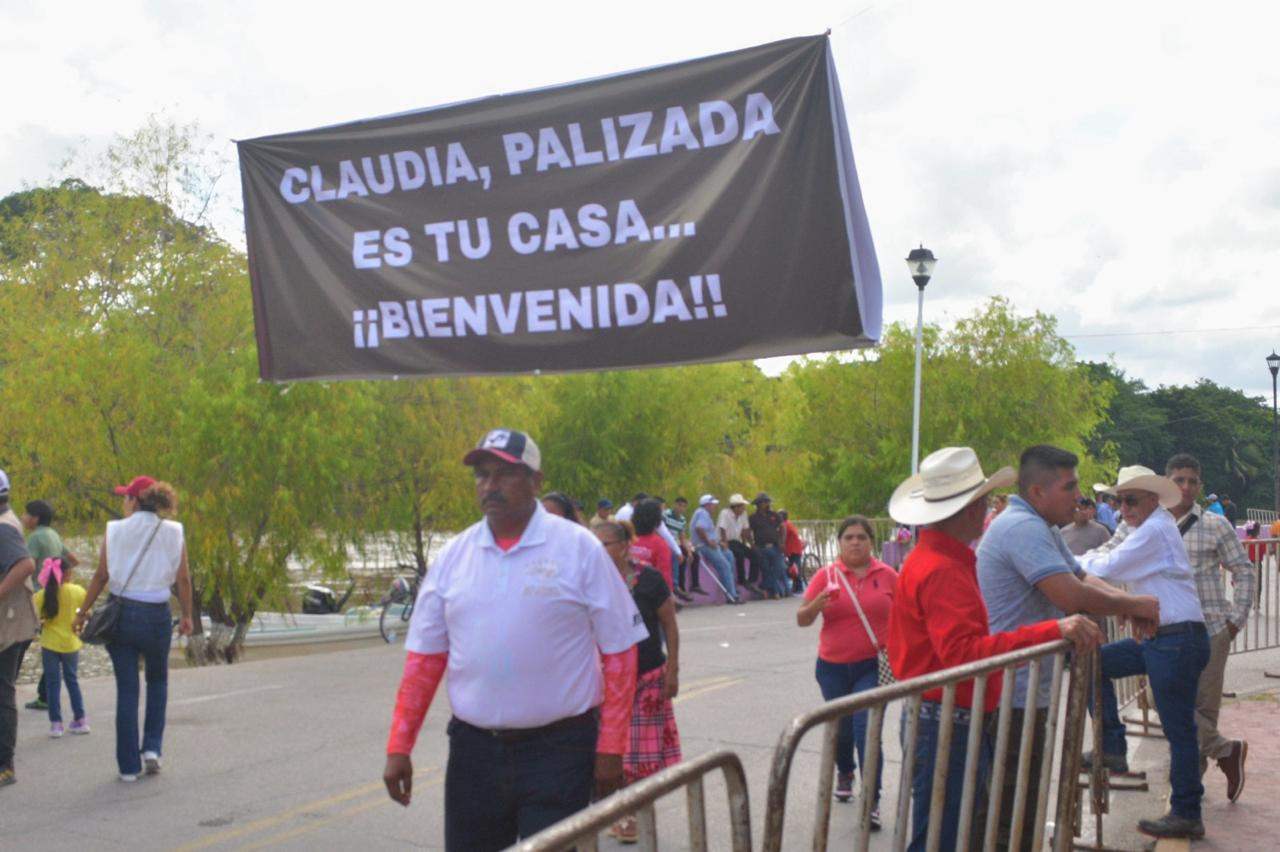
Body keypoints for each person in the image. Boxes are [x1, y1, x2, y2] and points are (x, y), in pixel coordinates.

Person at [382, 429, 648, 850]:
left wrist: (612, 746)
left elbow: (619, 652)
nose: (489, 485)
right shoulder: (454, 557)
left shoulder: (579, 549)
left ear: (536, 481)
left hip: (560, 750)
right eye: (481, 475)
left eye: (503, 475)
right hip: (474, 753)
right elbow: (424, 661)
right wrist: (400, 745)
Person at [888, 447, 1102, 852]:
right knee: (943, 834)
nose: (986, 509)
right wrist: (1049, 630)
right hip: (945, 717)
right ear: (970, 508)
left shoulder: (939, 558)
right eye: (982, 501)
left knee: (950, 828)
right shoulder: (941, 567)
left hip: (946, 712)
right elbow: (964, 654)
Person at [976, 445, 1159, 851]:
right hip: (1012, 693)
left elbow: (1080, 576)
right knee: (1012, 808)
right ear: (1038, 492)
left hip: (1026, 687)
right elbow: (1069, 593)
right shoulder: (1021, 528)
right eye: (1069, 487)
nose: (1079, 497)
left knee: (1024, 800)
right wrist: (1134, 605)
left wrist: (1127, 605)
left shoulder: (1040, 526)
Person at [1088, 453, 1254, 803]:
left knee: (1196, 712)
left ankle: (1187, 800)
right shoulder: (1133, 525)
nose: (1187, 487)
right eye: (1180, 480)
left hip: (1208, 627)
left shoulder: (1214, 525)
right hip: (1159, 632)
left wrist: (1234, 621)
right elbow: (1108, 554)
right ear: (1166, 485)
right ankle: (1219, 758)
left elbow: (1244, 570)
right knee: (1170, 709)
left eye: (1193, 481)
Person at [1078, 465, 1210, 840]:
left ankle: (1186, 810)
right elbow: (1113, 565)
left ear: (1152, 500)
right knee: (1091, 661)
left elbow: (1108, 565)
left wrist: (1065, 567)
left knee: (1178, 729)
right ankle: (1113, 746)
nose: (1124, 508)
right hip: (1164, 638)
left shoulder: (1153, 529)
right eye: (1120, 501)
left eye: (1131, 500)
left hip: (1174, 639)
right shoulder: (1150, 527)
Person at [73, 477, 194, 782]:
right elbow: (183, 580)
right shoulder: (174, 531)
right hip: (157, 616)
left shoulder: (115, 530)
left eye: (125, 498)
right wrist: (188, 615)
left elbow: (101, 576)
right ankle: (152, 748)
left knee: (127, 690)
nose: (123, 503)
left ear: (136, 500)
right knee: (157, 681)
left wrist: (83, 612)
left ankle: (128, 767)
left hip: (122, 615)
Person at [796, 516, 895, 828]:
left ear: (871, 542)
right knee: (842, 729)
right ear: (839, 543)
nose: (855, 542)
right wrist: (817, 605)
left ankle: (872, 800)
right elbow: (802, 619)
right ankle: (845, 770)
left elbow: (907, 615)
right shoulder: (826, 575)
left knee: (867, 727)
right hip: (833, 667)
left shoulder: (889, 575)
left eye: (862, 537)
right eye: (849, 537)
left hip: (873, 667)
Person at [593, 521, 681, 843]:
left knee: (637, 758)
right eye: (595, 544)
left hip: (648, 679)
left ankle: (631, 815)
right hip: (605, 683)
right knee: (611, 752)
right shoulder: (589, 582)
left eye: (607, 544)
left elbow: (669, 625)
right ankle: (620, 812)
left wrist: (673, 669)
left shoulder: (649, 580)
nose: (600, 551)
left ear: (625, 546)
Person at [20, 500, 79, 711]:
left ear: (35, 518)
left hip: (39, 596)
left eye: (25, 513)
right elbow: (73, 559)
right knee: (51, 643)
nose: (22, 517)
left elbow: (25, 565)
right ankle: (45, 694)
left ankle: (37, 694)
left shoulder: (35, 538)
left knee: (20, 644)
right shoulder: (53, 535)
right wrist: (63, 578)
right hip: (56, 595)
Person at [0, 468, 38, 790]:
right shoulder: (8, 520)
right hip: (11, 620)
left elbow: (26, 564)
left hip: (8, 623)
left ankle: (4, 765)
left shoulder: (3, 528)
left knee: (2, 692)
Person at [32, 558, 89, 737]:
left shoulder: (42, 594)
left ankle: (56, 724)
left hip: (50, 642)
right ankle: (80, 719)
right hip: (71, 643)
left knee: (52, 683)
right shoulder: (78, 591)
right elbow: (87, 613)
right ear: (68, 573)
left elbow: (34, 616)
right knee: (72, 681)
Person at [690, 495, 736, 602]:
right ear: (707, 505)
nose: (714, 506)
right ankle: (731, 595)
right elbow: (699, 528)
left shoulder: (704, 514)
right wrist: (708, 542)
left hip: (711, 544)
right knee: (724, 565)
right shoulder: (702, 513)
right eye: (713, 504)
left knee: (729, 555)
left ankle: (731, 587)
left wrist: (718, 543)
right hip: (704, 546)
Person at [748, 493, 790, 599]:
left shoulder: (775, 515)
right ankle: (775, 592)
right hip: (761, 547)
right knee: (766, 569)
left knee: (779, 567)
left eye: (768, 502)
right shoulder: (753, 518)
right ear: (759, 504)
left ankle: (764, 585)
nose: (767, 504)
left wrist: (782, 542)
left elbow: (782, 528)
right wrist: (752, 544)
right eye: (765, 502)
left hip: (775, 546)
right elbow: (747, 532)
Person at [630, 499, 674, 592]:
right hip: (648, 598)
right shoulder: (660, 544)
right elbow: (664, 578)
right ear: (657, 520)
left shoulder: (625, 540)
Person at [718, 494, 758, 594]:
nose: (744, 508)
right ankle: (741, 580)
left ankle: (752, 580)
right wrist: (725, 542)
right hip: (726, 540)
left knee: (753, 554)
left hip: (736, 540)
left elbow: (745, 530)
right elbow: (722, 528)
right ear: (736, 507)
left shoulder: (743, 515)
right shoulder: (725, 513)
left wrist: (749, 544)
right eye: (742, 506)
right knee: (739, 554)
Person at [662, 497, 694, 602]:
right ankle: (675, 584)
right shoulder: (665, 515)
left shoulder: (682, 520)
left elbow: (682, 536)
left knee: (693, 556)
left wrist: (689, 551)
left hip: (675, 543)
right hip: (665, 542)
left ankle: (687, 586)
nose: (681, 508)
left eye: (684, 506)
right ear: (674, 504)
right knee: (675, 556)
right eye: (679, 505)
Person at [781, 510, 806, 595]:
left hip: (793, 549)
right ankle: (796, 586)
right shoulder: (789, 523)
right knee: (794, 567)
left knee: (795, 568)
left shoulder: (785, 525)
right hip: (793, 549)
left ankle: (798, 586)